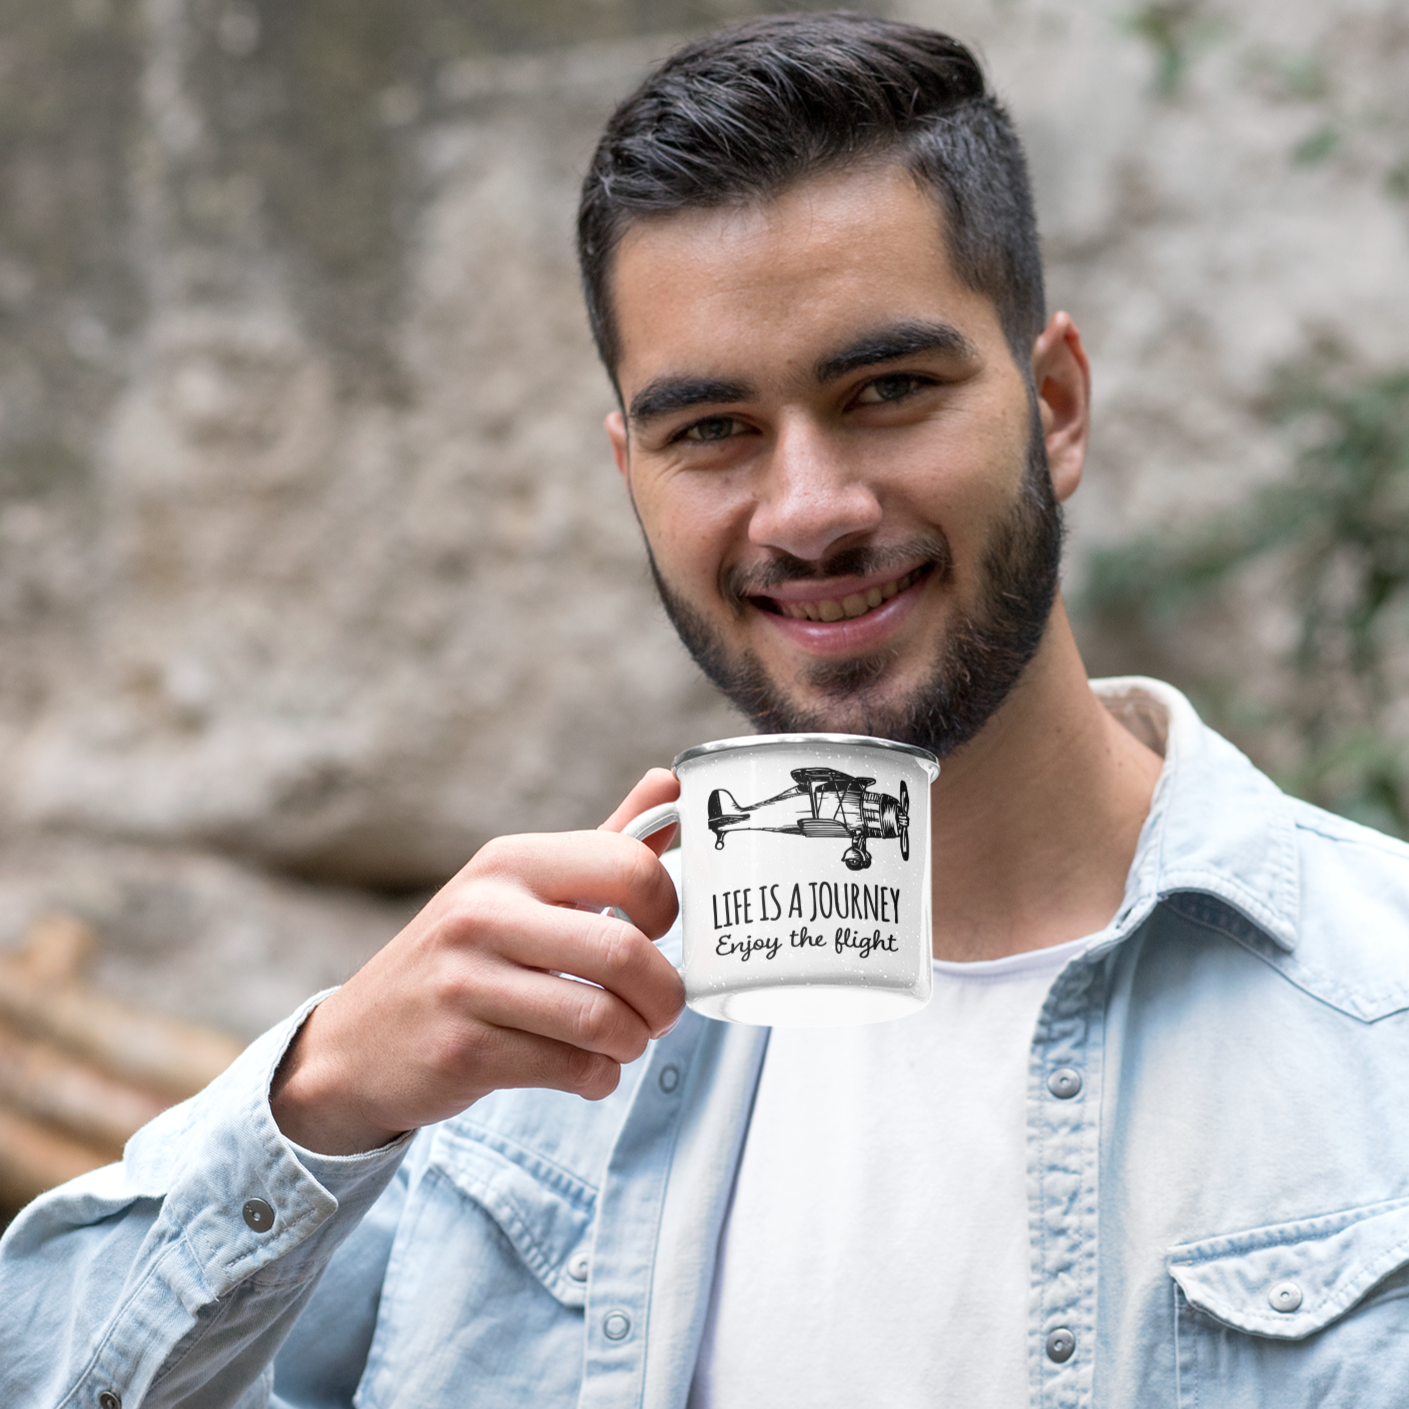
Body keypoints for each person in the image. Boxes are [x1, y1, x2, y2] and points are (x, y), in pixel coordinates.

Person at [5, 12, 1409, 1407]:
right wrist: (316, 1099)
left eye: (889, 389)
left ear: (1054, 405)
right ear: (633, 469)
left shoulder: (1378, 1016)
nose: (809, 511)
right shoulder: (504, 1060)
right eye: (712, 431)